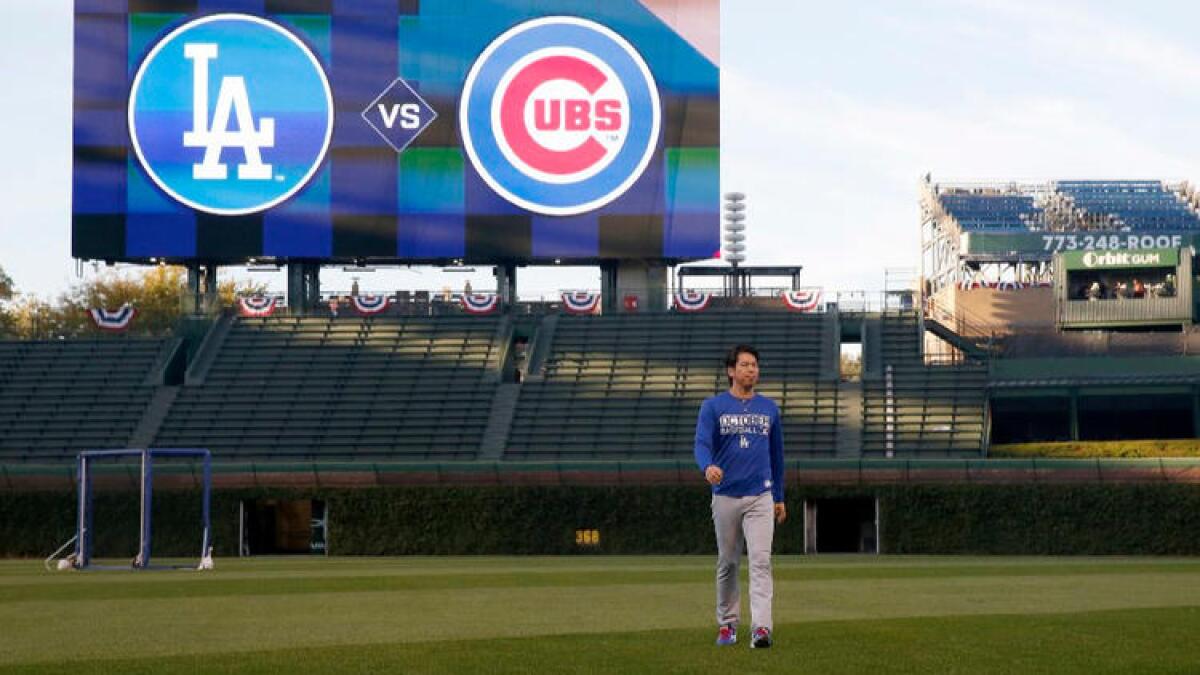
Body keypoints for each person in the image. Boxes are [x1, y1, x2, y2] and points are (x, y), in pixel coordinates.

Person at [694, 344, 785, 649]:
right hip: (726, 495)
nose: (751, 370)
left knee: (761, 561)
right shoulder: (713, 406)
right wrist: (707, 466)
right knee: (728, 563)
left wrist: (779, 496)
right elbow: (702, 444)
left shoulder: (769, 408)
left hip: (761, 494)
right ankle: (728, 625)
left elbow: (777, 456)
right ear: (731, 371)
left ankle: (761, 628)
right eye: (745, 365)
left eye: (755, 365)